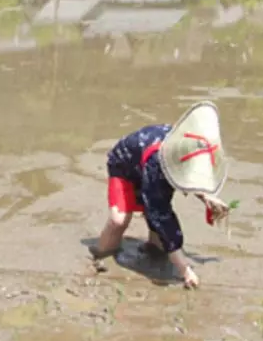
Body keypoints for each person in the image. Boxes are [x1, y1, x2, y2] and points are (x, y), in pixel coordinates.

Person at [90, 102, 231, 288]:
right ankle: (100, 256)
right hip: (124, 164)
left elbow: (187, 176)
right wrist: (185, 270)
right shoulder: (160, 162)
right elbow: (161, 214)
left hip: (149, 164)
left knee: (160, 239)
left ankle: (153, 251)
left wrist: (206, 198)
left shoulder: (191, 145)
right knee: (120, 220)